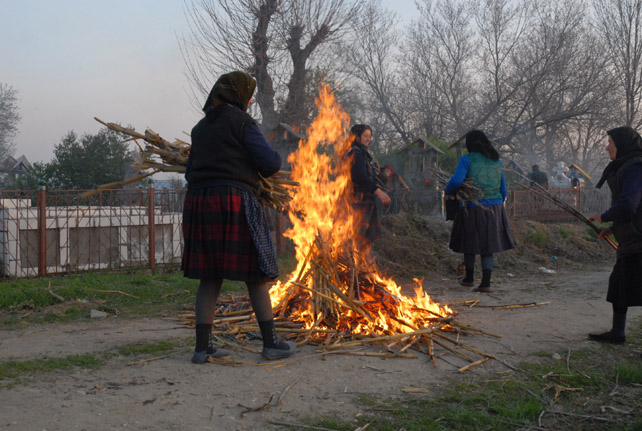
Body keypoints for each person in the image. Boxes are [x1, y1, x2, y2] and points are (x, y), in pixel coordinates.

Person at [182, 71, 296, 363]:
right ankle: (270, 344)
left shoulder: (199, 128)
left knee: (210, 276)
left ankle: (201, 349)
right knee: (256, 273)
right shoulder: (242, 122)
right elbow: (271, 163)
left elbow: (190, 169)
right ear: (240, 95)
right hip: (233, 200)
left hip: (199, 201)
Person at [587, 126, 642, 344]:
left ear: (622, 145)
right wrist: (611, 229)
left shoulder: (636, 167)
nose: (606, 146)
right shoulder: (626, 167)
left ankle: (618, 333)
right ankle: (617, 333)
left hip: (639, 240)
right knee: (619, 286)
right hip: (631, 239)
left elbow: (629, 206)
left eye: (610, 142)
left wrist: (605, 216)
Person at [444, 130, 515, 292]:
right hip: (495, 208)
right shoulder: (496, 161)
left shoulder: (467, 159)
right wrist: (496, 202)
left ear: (470, 144)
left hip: (473, 207)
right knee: (487, 245)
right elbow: (503, 189)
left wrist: (449, 191)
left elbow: (456, 181)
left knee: (470, 242)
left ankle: (469, 278)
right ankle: (486, 283)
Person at [347, 124, 391, 248]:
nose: (368, 139)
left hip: (364, 201)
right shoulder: (355, 153)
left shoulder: (361, 153)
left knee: (364, 240)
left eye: (370, 136)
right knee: (357, 238)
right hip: (357, 201)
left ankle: (360, 264)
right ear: (357, 137)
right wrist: (378, 192)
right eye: (365, 136)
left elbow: (367, 176)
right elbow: (360, 176)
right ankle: (351, 263)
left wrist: (382, 177)